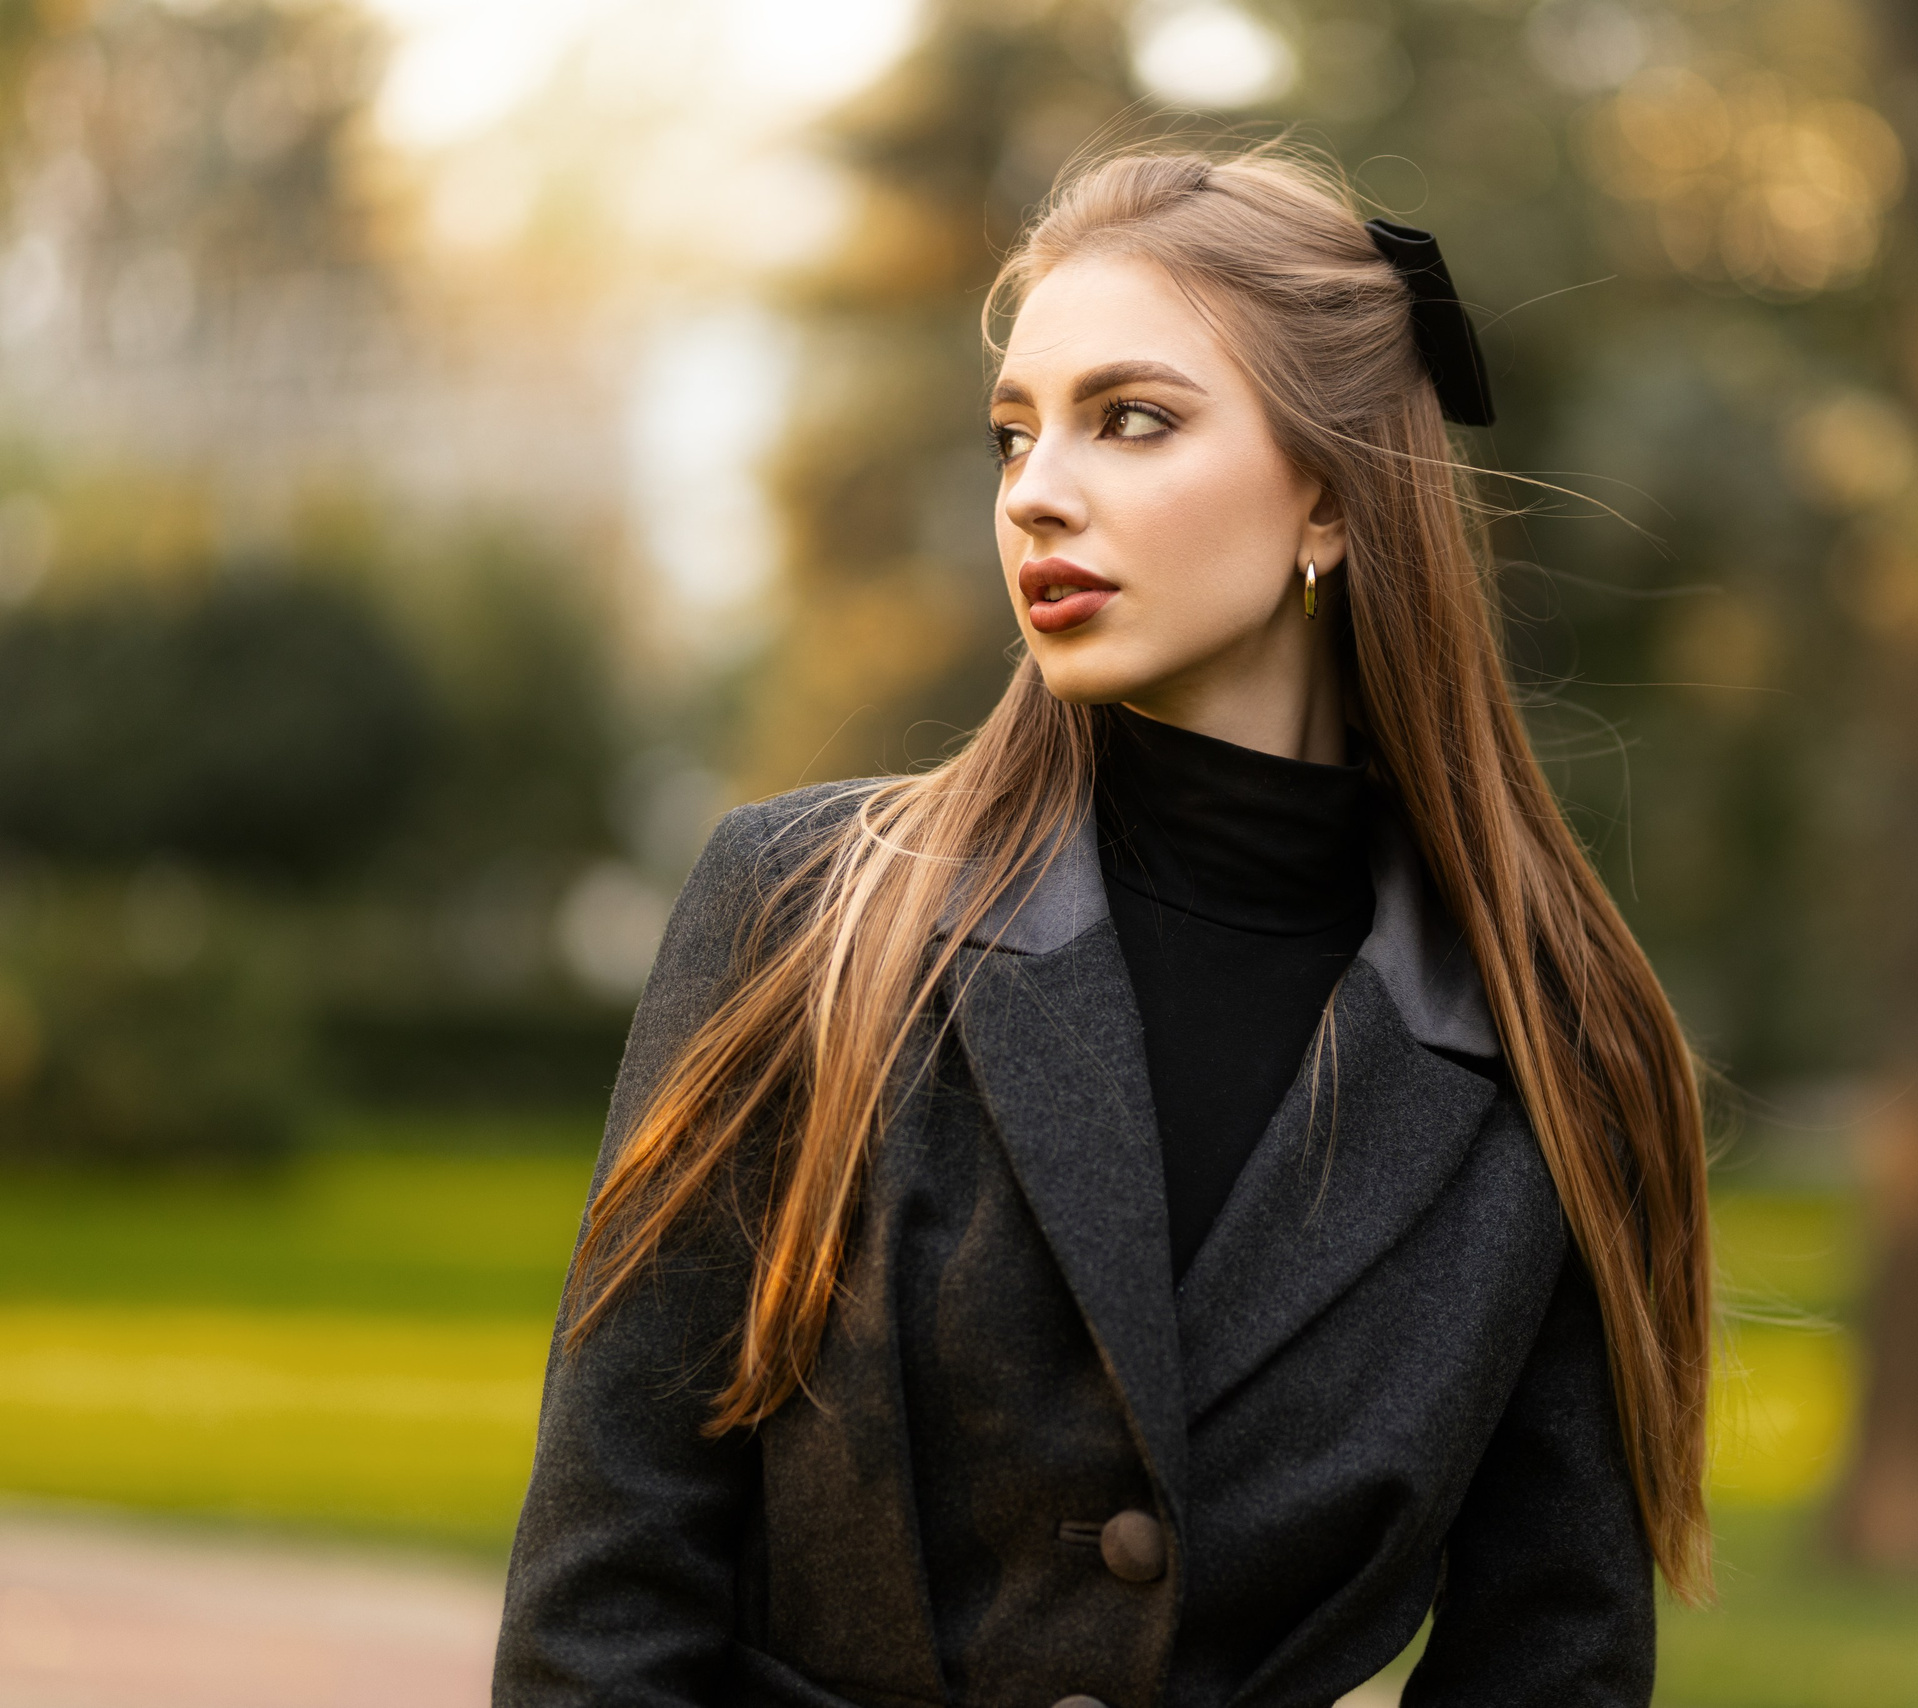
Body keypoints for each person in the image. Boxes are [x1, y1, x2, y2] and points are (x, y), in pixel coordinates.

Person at [493, 144, 1712, 1708]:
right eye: (1014, 435)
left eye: (1131, 420)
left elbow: (1552, 1661)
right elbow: (603, 1604)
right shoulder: (804, 914)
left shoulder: (1550, 1050)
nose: (1037, 493)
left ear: (1328, 501)